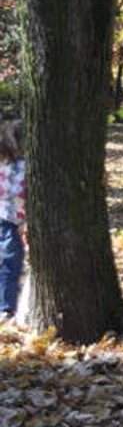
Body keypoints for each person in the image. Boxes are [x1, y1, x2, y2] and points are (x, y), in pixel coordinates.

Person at [0, 120, 26, 321]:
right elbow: (17, 193)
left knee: (12, 261)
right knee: (11, 261)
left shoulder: (14, 165)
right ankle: (6, 306)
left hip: (13, 219)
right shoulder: (12, 166)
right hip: (9, 220)